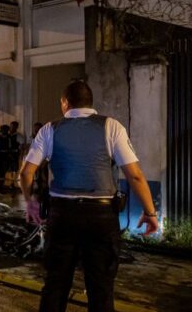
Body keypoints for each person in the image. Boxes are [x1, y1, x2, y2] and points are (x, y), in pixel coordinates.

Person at [20, 80, 159, 312]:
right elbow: (135, 176)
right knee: (101, 287)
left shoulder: (49, 129)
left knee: (55, 284)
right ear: (91, 103)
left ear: (65, 103)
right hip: (101, 217)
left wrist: (31, 203)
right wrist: (150, 212)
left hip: (62, 215)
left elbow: (26, 173)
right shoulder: (112, 127)